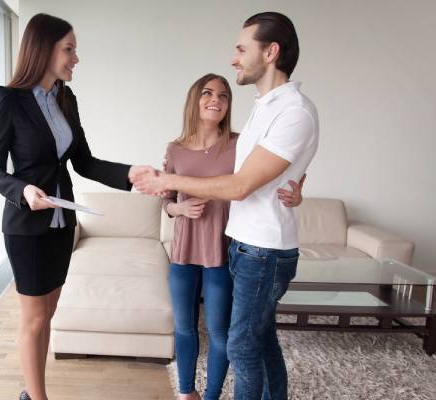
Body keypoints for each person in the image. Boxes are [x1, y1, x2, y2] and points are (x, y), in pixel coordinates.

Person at [135, 12, 319, 400]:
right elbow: (263, 177)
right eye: (207, 93)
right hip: (242, 245)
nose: (234, 58)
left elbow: (239, 185)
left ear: (270, 52)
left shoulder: (293, 111)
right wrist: (173, 198)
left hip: (262, 250)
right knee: (260, 341)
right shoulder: (264, 107)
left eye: (240, 49)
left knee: (240, 346)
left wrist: (165, 180)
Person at [0, 13, 153, 400]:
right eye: (69, 49)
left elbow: (84, 162)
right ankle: (38, 397)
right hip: (26, 226)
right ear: (43, 49)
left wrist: (133, 174)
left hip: (63, 224)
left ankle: (32, 393)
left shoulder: (65, 98)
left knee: (48, 316)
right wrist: (23, 189)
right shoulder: (7, 99)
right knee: (35, 318)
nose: (75, 58)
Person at [163, 73, 304, 400]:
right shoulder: (175, 149)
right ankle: (187, 393)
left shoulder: (241, 145)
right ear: (194, 100)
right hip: (182, 253)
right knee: (184, 328)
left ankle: (211, 396)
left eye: (224, 95)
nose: (216, 100)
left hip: (222, 253)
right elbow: (166, 201)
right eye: (208, 93)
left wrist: (297, 194)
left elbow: (278, 172)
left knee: (221, 334)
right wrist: (179, 211)